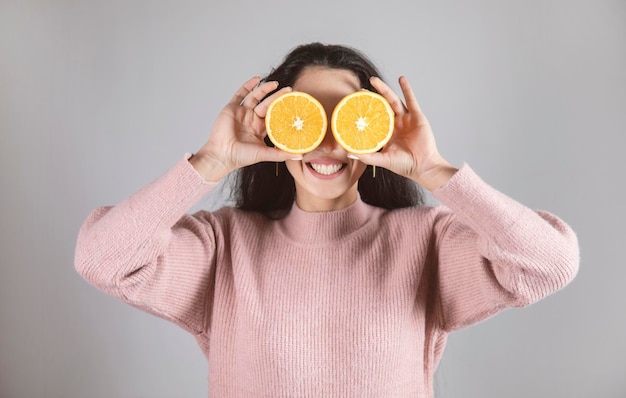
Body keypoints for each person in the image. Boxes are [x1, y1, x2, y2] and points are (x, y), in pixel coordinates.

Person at [74, 43, 579, 397]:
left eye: (348, 117)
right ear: (275, 131)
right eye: (304, 117)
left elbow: (549, 263)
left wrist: (437, 171)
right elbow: (101, 259)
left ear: (375, 132)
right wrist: (208, 162)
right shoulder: (225, 246)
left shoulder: (426, 242)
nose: (327, 142)